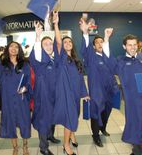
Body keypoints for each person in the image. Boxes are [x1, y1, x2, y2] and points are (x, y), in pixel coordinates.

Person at [53, 12, 90, 155]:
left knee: (74, 115)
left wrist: (85, 93)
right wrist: (56, 24)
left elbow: (80, 79)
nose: (67, 43)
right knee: (70, 118)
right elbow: (57, 41)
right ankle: (66, 145)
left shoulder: (76, 60)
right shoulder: (61, 58)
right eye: (65, 42)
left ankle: (72, 135)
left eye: (69, 42)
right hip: (65, 93)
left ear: (72, 45)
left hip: (75, 94)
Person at [0, 40, 32, 155]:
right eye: (11, 46)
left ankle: (25, 146)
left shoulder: (25, 64)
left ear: (19, 50)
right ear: (8, 49)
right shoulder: (3, 65)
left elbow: (28, 82)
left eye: (16, 47)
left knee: (24, 123)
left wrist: (25, 89)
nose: (14, 48)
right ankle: (15, 148)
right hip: (8, 99)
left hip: (21, 99)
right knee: (11, 122)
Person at [79, 19, 119, 147]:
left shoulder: (109, 56)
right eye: (97, 42)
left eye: (102, 42)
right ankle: (95, 135)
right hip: (97, 91)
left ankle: (103, 128)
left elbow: (115, 68)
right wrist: (85, 33)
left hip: (109, 90)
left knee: (106, 111)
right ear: (94, 46)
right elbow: (84, 50)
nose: (100, 44)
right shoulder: (91, 56)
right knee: (96, 112)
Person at [29, 21, 60, 155]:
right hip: (43, 96)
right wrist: (38, 36)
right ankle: (43, 147)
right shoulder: (39, 59)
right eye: (45, 44)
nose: (48, 46)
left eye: (50, 44)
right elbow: (36, 51)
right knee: (43, 120)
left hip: (55, 94)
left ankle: (50, 135)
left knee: (53, 116)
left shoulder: (55, 59)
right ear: (41, 47)